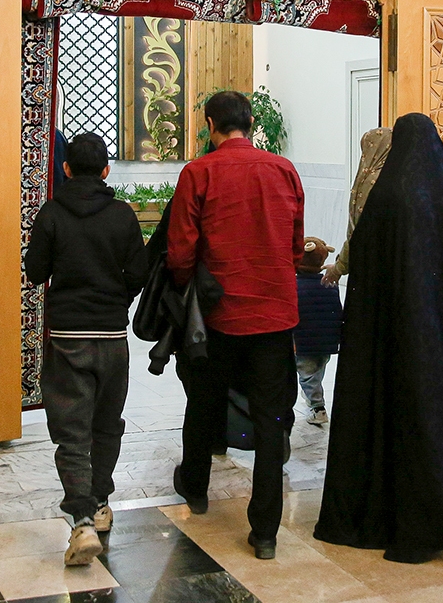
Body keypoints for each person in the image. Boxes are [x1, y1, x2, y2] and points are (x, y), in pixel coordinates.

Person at [314, 113, 443, 563]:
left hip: (396, 341)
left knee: (401, 421)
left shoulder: (388, 196)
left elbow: (367, 268)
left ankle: (400, 513)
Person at [168, 90, 304, 561]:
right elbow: (295, 245)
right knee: (271, 419)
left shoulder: (198, 172)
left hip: (218, 315)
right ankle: (265, 531)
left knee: (203, 401)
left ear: (210, 125)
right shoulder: (284, 170)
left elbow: (181, 252)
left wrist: (187, 290)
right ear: (249, 122)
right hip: (274, 313)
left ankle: (196, 488)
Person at [24, 132, 146, 567]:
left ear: (66, 168)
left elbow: (35, 271)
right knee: (107, 425)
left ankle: (82, 521)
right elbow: (139, 272)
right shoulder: (122, 215)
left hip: (68, 337)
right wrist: (117, 300)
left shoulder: (51, 213)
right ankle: (100, 503)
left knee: (72, 432)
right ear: (106, 170)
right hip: (112, 338)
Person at [324, 126, 392, 286]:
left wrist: (339, 268)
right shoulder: (400, 177)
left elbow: (359, 231)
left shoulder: (370, 181)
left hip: (371, 266)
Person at [293, 237, 341, 426]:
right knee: (317, 372)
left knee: (307, 376)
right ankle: (313, 399)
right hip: (326, 340)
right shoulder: (330, 284)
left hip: (304, 342)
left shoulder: (294, 286)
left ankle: (318, 408)